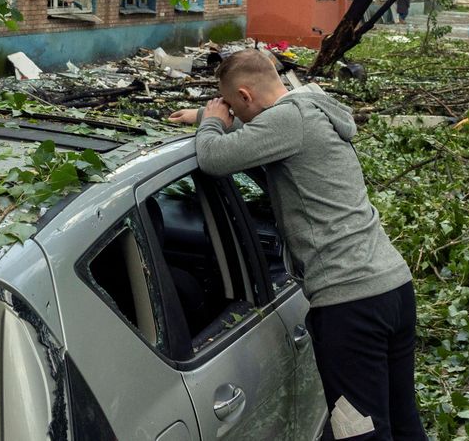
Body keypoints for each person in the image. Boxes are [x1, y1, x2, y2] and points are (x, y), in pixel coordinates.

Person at [169, 50, 425, 441]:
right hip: (392, 288)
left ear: (245, 95)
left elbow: (213, 158)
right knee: (403, 421)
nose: (235, 115)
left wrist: (213, 124)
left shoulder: (285, 120)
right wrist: (208, 116)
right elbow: (258, 135)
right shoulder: (310, 109)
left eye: (235, 106)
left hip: (350, 303)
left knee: (359, 432)